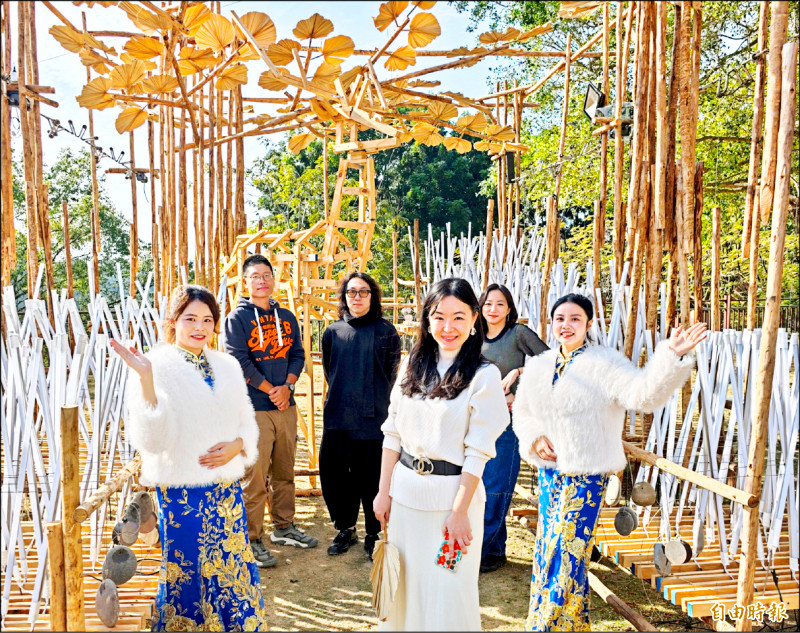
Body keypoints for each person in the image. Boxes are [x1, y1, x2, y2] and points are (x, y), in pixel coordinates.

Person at [513, 293, 707, 631]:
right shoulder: (540, 364)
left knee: (569, 551)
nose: (566, 325)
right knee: (547, 548)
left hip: (586, 478)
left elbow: (643, 394)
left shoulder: (604, 363)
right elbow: (525, 412)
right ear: (551, 323)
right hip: (549, 475)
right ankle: (567, 624)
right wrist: (534, 438)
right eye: (560, 318)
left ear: (589, 324)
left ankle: (545, 626)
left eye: (575, 319)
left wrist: (670, 356)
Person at [112, 285, 268, 631]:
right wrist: (148, 380)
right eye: (190, 318)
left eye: (207, 320)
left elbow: (246, 418)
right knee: (188, 570)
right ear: (174, 321)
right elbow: (152, 440)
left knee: (232, 565)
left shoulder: (226, 365)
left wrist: (239, 444)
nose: (199, 327)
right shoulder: (155, 366)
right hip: (183, 491)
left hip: (226, 489)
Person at [373, 277, 509, 631]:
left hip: (453, 506)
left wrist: (460, 512)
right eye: (439, 316)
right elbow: (392, 432)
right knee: (407, 589)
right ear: (427, 319)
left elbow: (479, 451)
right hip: (404, 498)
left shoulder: (484, 375)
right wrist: (383, 491)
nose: (448, 327)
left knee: (449, 592)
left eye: (459, 317)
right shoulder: (410, 367)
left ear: (474, 319)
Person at [224, 254, 317, 569]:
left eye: (266, 275)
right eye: (255, 276)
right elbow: (239, 360)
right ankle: (252, 538)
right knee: (255, 477)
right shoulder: (237, 319)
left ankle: (284, 527)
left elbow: (298, 354)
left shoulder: (287, 316)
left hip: (285, 406)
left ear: (273, 279)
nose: (261, 280)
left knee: (284, 471)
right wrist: (271, 390)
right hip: (256, 409)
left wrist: (287, 388)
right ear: (246, 281)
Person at [321, 272, 401, 559]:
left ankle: (372, 532)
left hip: (375, 418)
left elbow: (391, 374)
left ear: (372, 295)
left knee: (372, 478)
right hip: (339, 416)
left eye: (363, 292)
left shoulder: (387, 332)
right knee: (337, 477)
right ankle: (345, 529)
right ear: (344, 296)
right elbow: (330, 371)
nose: (356, 297)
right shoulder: (332, 332)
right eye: (351, 292)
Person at [477, 284, 548, 573]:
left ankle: (478, 553)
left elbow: (553, 363)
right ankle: (495, 550)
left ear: (509, 309)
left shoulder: (517, 334)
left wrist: (521, 375)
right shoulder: (473, 337)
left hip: (506, 423)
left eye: (500, 304)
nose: (493, 309)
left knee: (496, 489)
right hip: (477, 421)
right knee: (479, 489)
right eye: (488, 304)